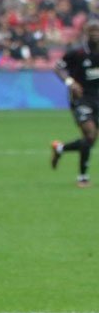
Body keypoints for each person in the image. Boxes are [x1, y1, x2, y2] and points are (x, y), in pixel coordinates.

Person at [50, 19, 99, 188]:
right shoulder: (77, 53)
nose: (95, 34)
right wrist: (70, 82)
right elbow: (58, 67)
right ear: (86, 33)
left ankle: (60, 148)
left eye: (97, 31)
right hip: (81, 99)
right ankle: (83, 178)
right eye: (92, 31)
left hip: (97, 99)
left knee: (90, 140)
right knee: (90, 134)